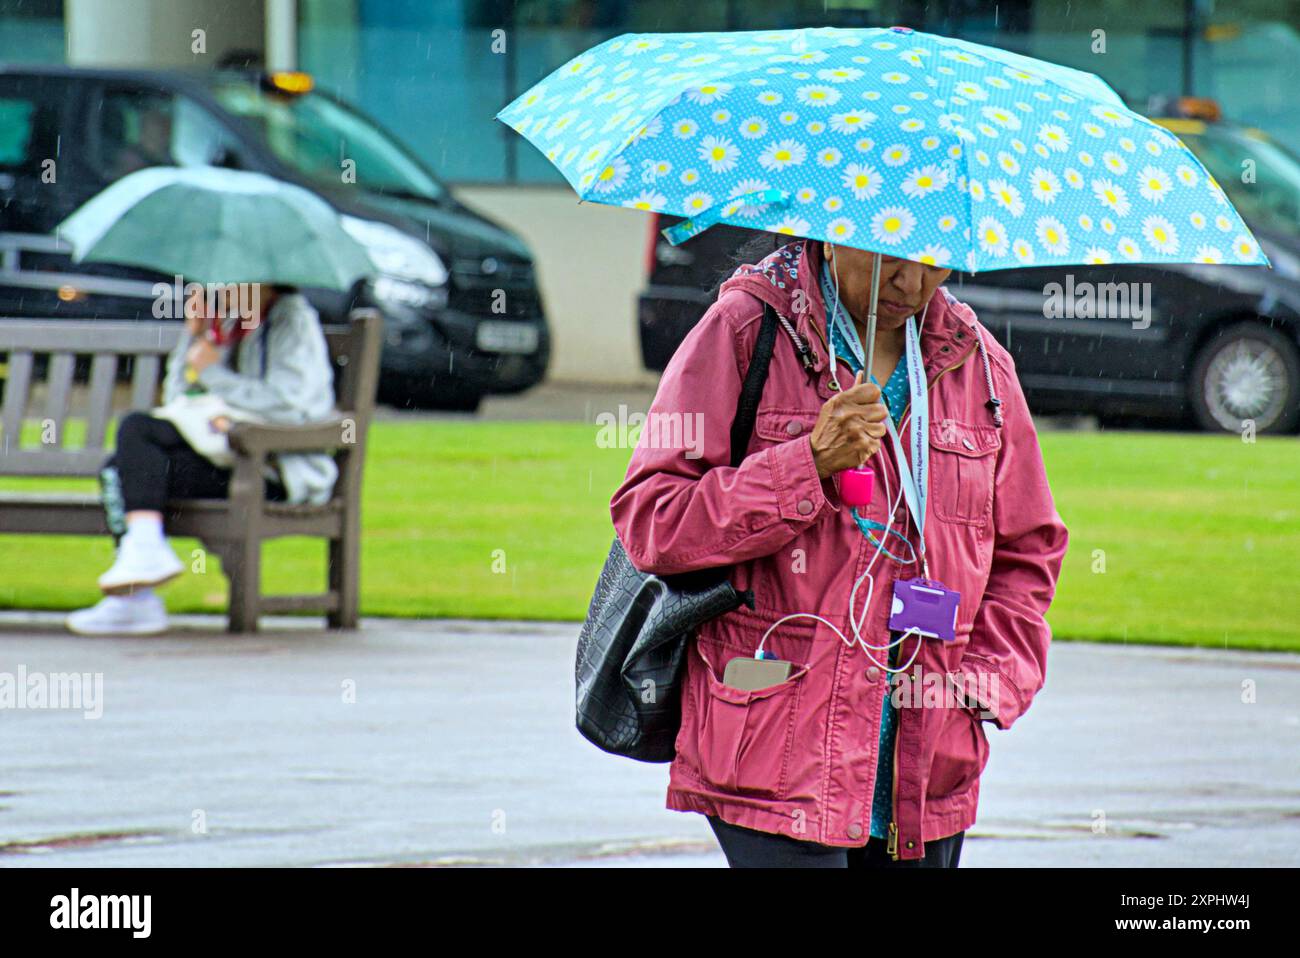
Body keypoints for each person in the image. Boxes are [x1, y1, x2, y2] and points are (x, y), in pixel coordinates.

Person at [609, 237, 1069, 867]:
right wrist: (807, 465)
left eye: (935, 260)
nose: (912, 282)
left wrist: (983, 685)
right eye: (892, 258)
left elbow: (1029, 550)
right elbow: (653, 519)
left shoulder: (981, 365)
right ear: (832, 236)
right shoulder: (745, 330)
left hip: (925, 764)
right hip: (775, 749)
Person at [66, 284, 338, 636]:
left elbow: (287, 405)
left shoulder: (292, 322)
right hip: (223, 456)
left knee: (133, 441)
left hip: (273, 470)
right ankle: (138, 583)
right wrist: (193, 336)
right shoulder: (224, 319)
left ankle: (136, 596)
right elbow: (179, 399)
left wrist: (212, 373)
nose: (218, 287)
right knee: (121, 468)